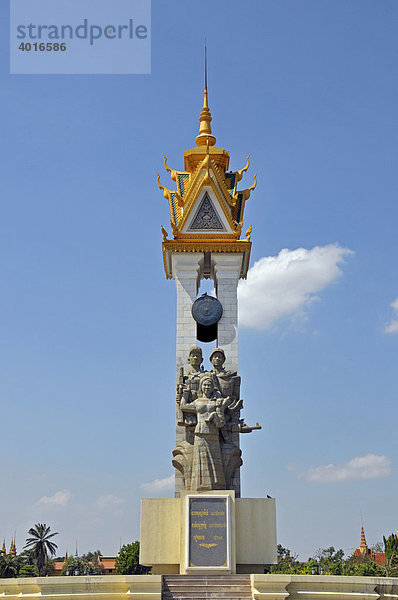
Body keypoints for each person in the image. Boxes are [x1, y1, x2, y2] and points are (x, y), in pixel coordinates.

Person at [180, 374, 229, 491]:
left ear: (213, 387)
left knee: (215, 459)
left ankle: (217, 485)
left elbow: (221, 422)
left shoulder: (216, 402)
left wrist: (215, 416)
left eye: (209, 385)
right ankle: (198, 485)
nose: (207, 387)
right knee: (200, 460)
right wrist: (185, 395)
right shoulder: (197, 402)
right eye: (205, 385)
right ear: (201, 387)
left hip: (213, 433)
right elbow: (183, 406)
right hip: (200, 432)